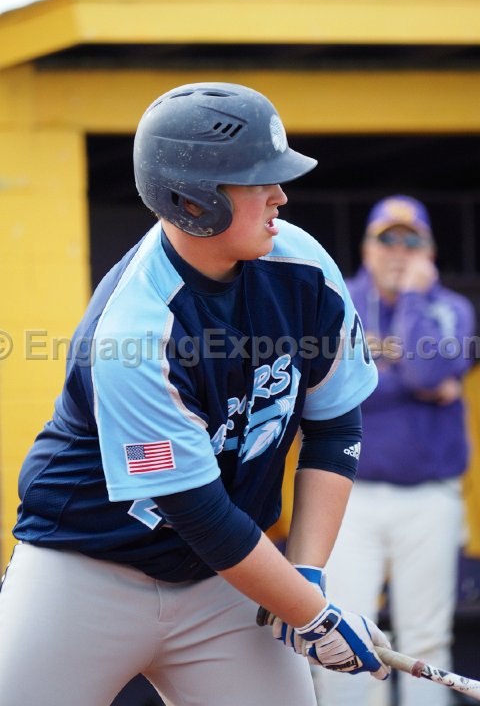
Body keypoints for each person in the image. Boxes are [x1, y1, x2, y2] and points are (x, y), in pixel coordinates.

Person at [0, 82, 391, 706]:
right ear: (193, 201)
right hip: (85, 569)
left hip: (229, 577)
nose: (281, 196)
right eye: (257, 180)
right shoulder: (134, 329)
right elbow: (198, 515)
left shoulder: (303, 267)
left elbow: (335, 428)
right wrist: (314, 615)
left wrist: (306, 575)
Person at [317, 195, 476, 706]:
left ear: (430, 250)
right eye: (387, 239)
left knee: (426, 640)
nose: (399, 250)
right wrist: (410, 381)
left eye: (412, 240)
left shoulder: (449, 307)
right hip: (349, 494)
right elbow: (329, 388)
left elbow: (428, 372)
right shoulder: (340, 299)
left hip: (430, 495)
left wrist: (411, 299)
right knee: (344, 636)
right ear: (367, 247)